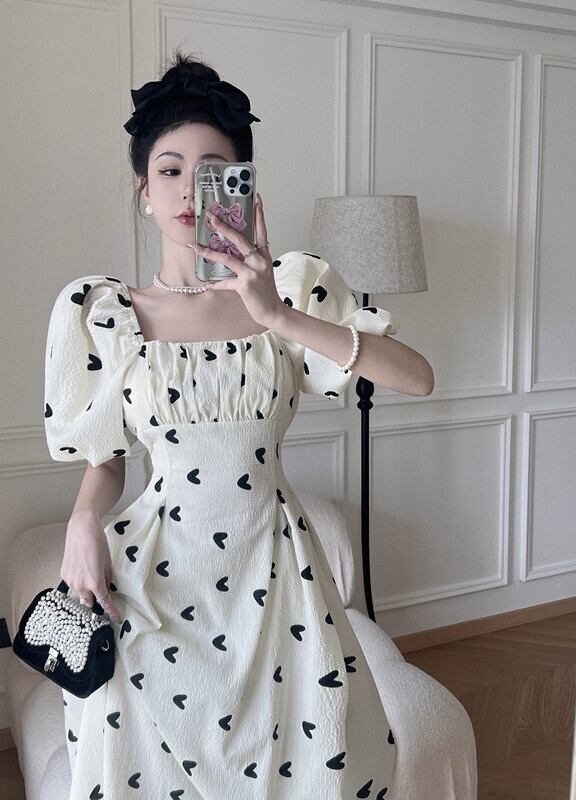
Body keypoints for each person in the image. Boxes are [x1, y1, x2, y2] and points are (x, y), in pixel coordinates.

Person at [45, 48, 434, 800]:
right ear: (143, 189)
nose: (188, 190)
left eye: (213, 170)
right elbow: (105, 458)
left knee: (311, 759)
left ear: (243, 185)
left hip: (276, 576)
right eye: (168, 169)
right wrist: (81, 524)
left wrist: (277, 315)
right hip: (155, 580)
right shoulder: (104, 314)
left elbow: (417, 378)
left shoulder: (291, 290)